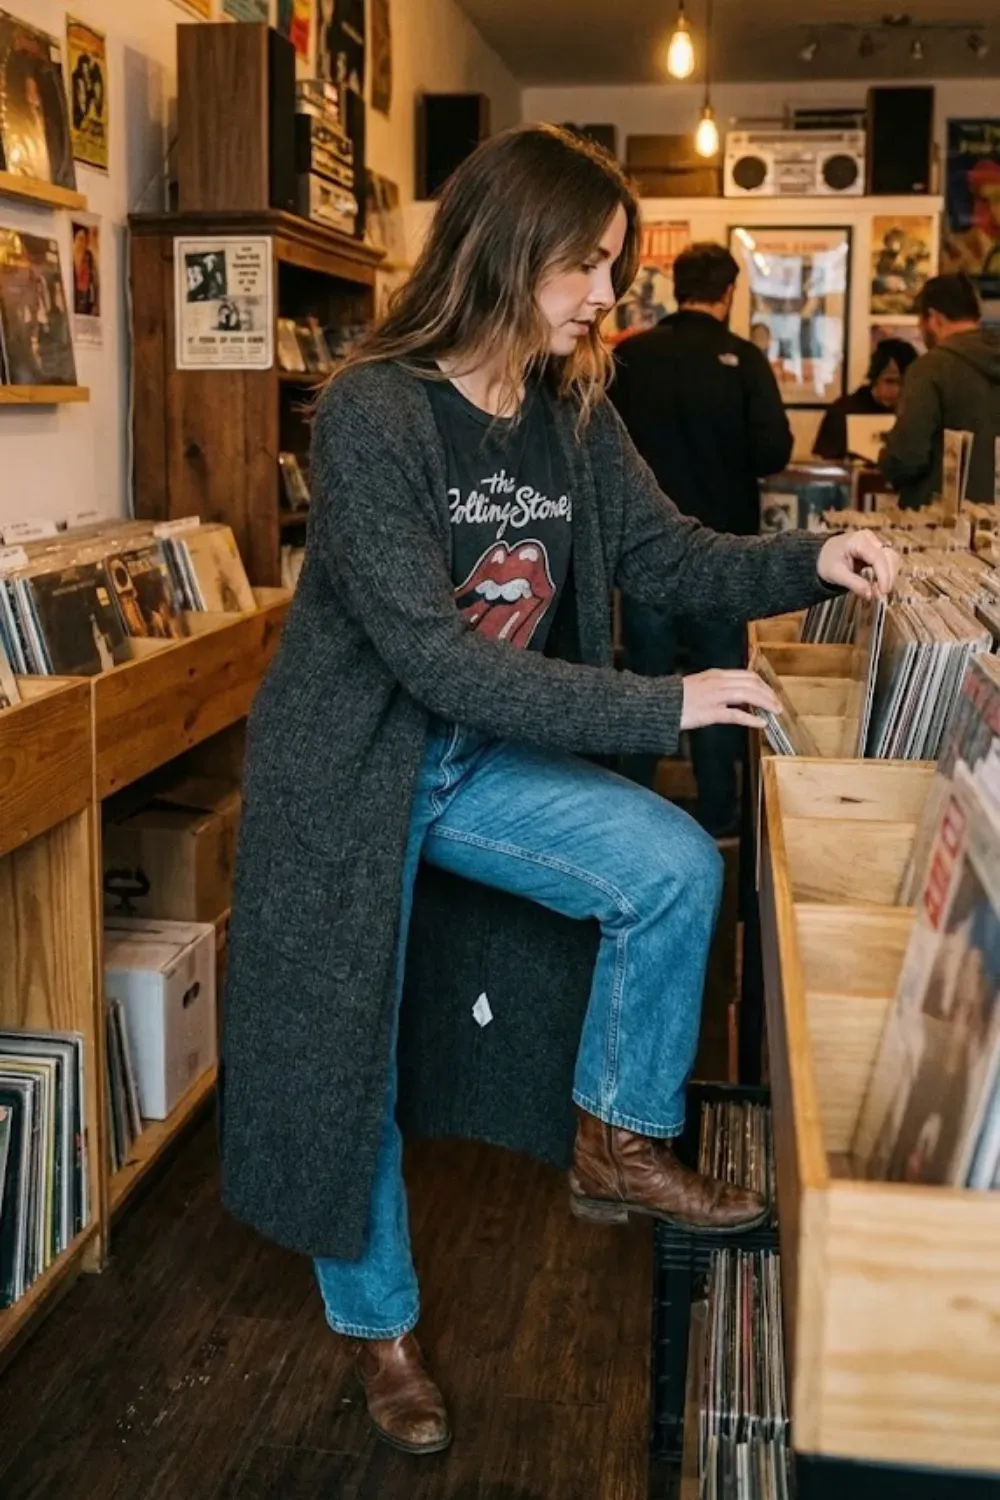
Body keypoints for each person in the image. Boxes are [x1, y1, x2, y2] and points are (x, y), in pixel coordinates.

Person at [219, 125, 896, 1459]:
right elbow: (427, 653)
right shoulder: (373, 412)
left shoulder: (573, 411)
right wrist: (664, 703)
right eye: (588, 265)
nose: (607, 295)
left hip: (473, 761)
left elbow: (667, 550)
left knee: (671, 866)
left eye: (617, 268)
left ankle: (620, 1139)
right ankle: (385, 1336)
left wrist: (819, 557)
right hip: (350, 782)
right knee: (348, 1063)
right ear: (506, 243)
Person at [609, 242, 793, 834]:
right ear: (730, 293)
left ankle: (626, 819)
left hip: (642, 556)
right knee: (721, 687)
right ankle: (719, 821)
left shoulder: (631, 356)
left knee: (644, 686)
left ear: (675, 287)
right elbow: (774, 450)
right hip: (722, 554)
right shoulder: (743, 358)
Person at [881, 273, 1000, 509]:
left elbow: (908, 455)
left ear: (934, 319)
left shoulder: (930, 368)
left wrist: (886, 462)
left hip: (942, 523)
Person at [813, 338, 919, 461]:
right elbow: (825, 462)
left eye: (904, 383)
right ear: (874, 378)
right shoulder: (843, 411)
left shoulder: (914, 412)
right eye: (890, 381)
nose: (897, 391)